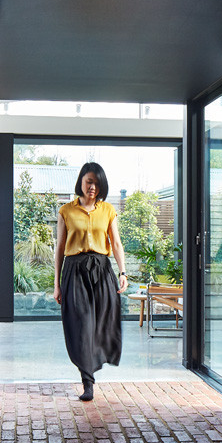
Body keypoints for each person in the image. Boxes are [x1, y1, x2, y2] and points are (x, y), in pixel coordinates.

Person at [54, 162, 128, 401]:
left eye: (96, 182)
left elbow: (116, 244)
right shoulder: (66, 210)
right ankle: (88, 380)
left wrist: (123, 272)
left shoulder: (108, 210)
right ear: (81, 182)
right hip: (74, 270)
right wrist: (56, 283)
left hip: (101, 269)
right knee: (82, 323)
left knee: (105, 320)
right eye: (89, 181)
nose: (92, 187)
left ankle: (97, 361)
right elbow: (59, 248)